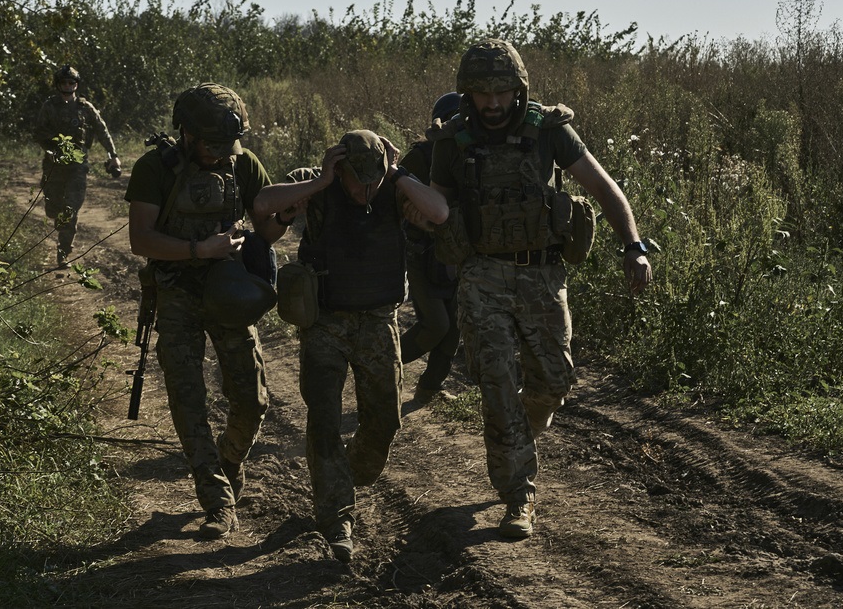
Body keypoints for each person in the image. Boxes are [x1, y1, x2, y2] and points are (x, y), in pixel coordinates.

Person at [428, 38, 652, 539]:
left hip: (541, 273)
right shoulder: (453, 139)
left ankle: (519, 432)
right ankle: (519, 494)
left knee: (554, 381)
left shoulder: (549, 131)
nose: (492, 104)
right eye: (481, 93)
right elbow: (439, 206)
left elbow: (603, 187)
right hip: (481, 276)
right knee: (497, 382)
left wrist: (633, 246)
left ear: (519, 89)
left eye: (502, 92)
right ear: (467, 93)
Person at [253, 130, 448, 562]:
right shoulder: (319, 183)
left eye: (372, 178)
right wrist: (320, 182)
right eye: (355, 180)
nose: (364, 189)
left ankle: (343, 473)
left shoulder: (393, 186)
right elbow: (263, 205)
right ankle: (336, 517)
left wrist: (396, 174)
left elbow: (438, 212)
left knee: (385, 422)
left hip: (379, 321)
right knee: (323, 418)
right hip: (325, 322)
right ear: (338, 167)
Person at [125, 82, 289, 539]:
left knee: (253, 401)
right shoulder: (154, 168)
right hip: (177, 295)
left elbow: (265, 232)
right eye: (210, 145)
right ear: (186, 134)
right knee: (188, 399)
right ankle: (217, 499)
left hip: (229, 293)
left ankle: (227, 460)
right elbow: (141, 240)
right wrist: (200, 249)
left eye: (225, 146)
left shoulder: (244, 163)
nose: (218, 155)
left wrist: (286, 217)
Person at [398, 92, 464, 402]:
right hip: (422, 253)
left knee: (452, 332)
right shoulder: (420, 157)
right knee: (436, 325)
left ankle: (428, 388)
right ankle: (381, 368)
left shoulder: (474, 156)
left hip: (457, 256)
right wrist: (422, 222)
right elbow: (396, 204)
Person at [34, 64, 122, 267]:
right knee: (53, 209)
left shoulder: (85, 107)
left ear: (76, 85)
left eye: (71, 82)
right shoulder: (49, 106)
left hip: (77, 167)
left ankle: (63, 253)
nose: (67, 86)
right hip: (54, 166)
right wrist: (50, 149)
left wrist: (113, 155)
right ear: (58, 85)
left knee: (70, 209)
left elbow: (102, 131)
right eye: (63, 82)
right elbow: (39, 133)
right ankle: (59, 224)